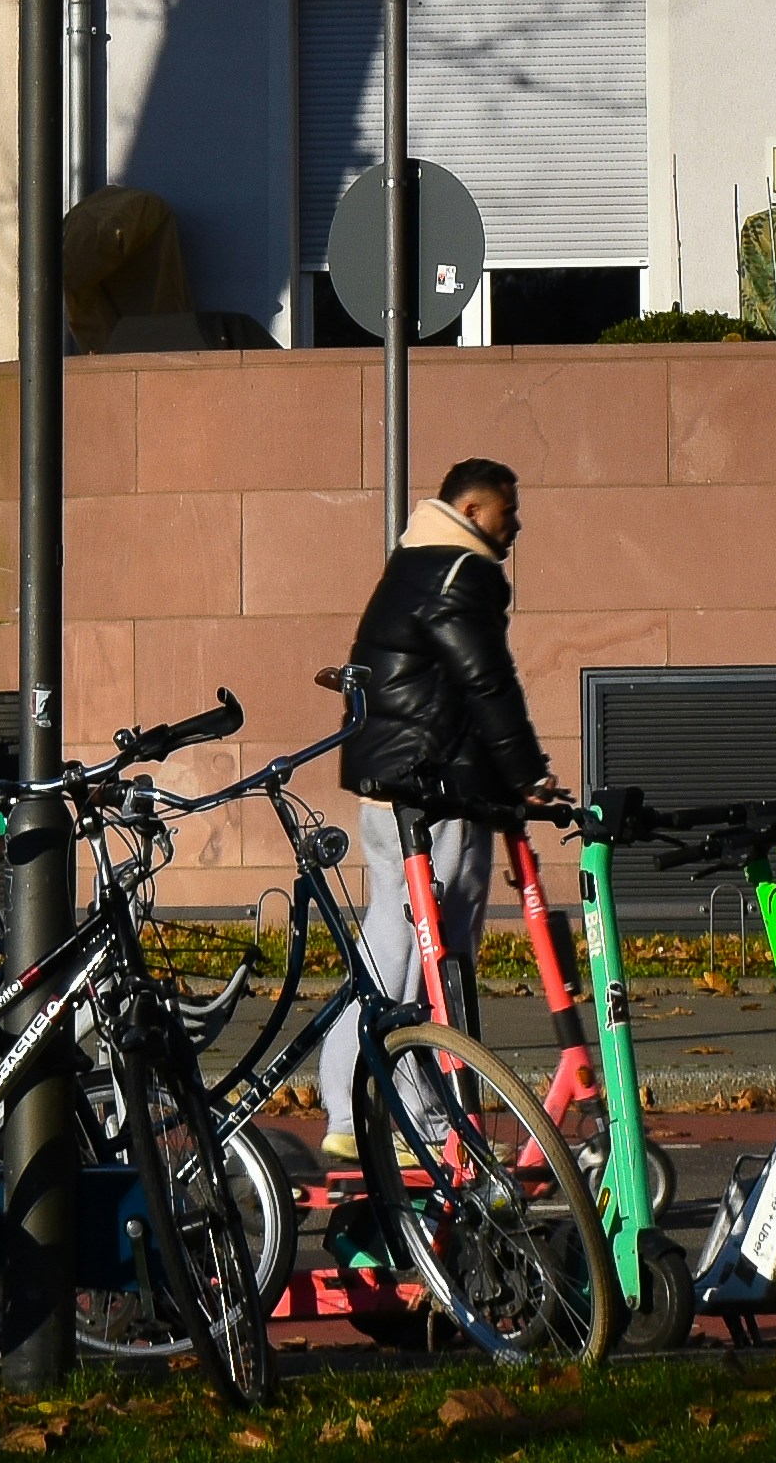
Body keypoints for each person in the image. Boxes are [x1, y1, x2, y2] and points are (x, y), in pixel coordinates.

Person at [324, 455, 557, 1156]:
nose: (516, 525)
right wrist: (526, 775)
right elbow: (486, 683)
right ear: (474, 510)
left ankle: (348, 1111)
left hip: (391, 787)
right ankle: (420, 1122)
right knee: (436, 954)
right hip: (436, 791)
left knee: (388, 944)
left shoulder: (412, 565)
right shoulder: (462, 572)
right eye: (509, 511)